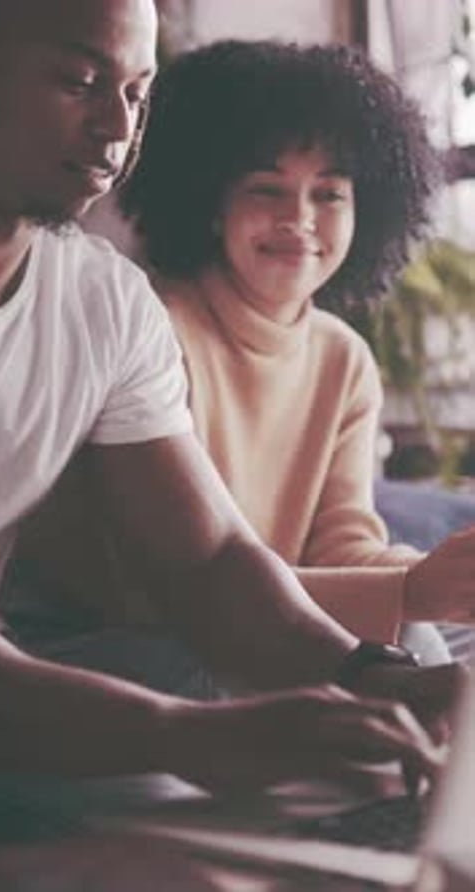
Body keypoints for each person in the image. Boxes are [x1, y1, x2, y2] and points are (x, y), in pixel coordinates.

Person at [0, 0, 460, 839]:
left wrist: (372, 675)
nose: (115, 126)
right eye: (81, 81)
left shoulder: (101, 300)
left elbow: (208, 560)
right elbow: (143, 601)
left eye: (138, 92)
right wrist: (185, 735)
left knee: (397, 712)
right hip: (45, 674)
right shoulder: (163, 314)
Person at [113, 39, 475, 655]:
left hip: (277, 624)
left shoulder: (343, 359)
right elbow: (169, 589)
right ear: (209, 202)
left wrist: (437, 576)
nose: (299, 219)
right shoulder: (152, 332)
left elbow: (343, 546)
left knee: (420, 638)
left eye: (329, 194)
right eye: (266, 189)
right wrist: (410, 590)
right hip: (154, 636)